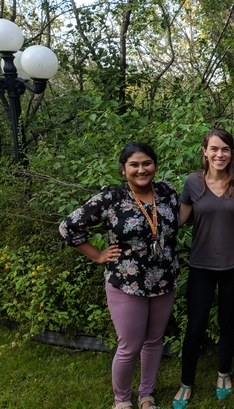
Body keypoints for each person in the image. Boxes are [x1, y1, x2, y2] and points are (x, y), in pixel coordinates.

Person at [59, 142, 180, 409]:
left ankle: (146, 396)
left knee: (154, 340)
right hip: (126, 282)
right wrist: (97, 255)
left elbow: (177, 222)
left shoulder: (167, 192)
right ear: (123, 170)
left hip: (164, 280)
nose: (141, 169)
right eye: (134, 165)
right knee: (129, 345)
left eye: (147, 163)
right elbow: (68, 227)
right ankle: (122, 400)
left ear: (155, 166)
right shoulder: (110, 199)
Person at [172, 129, 234, 409]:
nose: (220, 154)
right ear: (204, 151)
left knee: (228, 323)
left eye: (226, 149)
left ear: (231, 153)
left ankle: (223, 373)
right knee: (195, 328)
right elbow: (178, 220)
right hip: (201, 266)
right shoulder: (192, 183)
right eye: (214, 149)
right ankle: (186, 382)